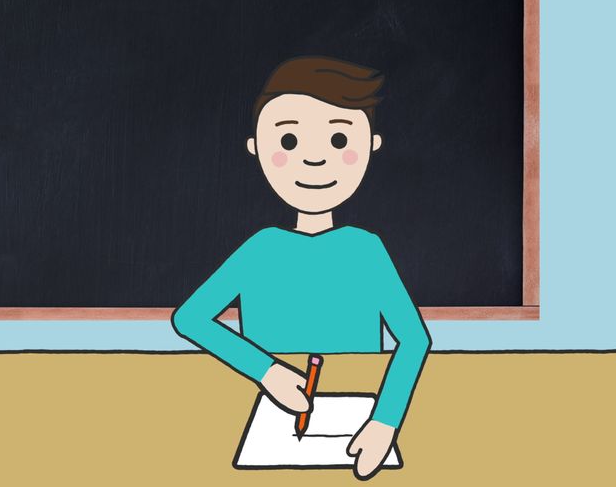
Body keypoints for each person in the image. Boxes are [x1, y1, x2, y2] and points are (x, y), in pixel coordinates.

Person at [171, 56, 431, 481]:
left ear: (371, 146)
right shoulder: (262, 250)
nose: (314, 160)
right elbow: (190, 318)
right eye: (289, 142)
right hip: (258, 412)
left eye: (339, 141)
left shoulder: (365, 250)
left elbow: (415, 338)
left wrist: (385, 422)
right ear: (255, 147)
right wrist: (267, 371)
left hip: (356, 400)